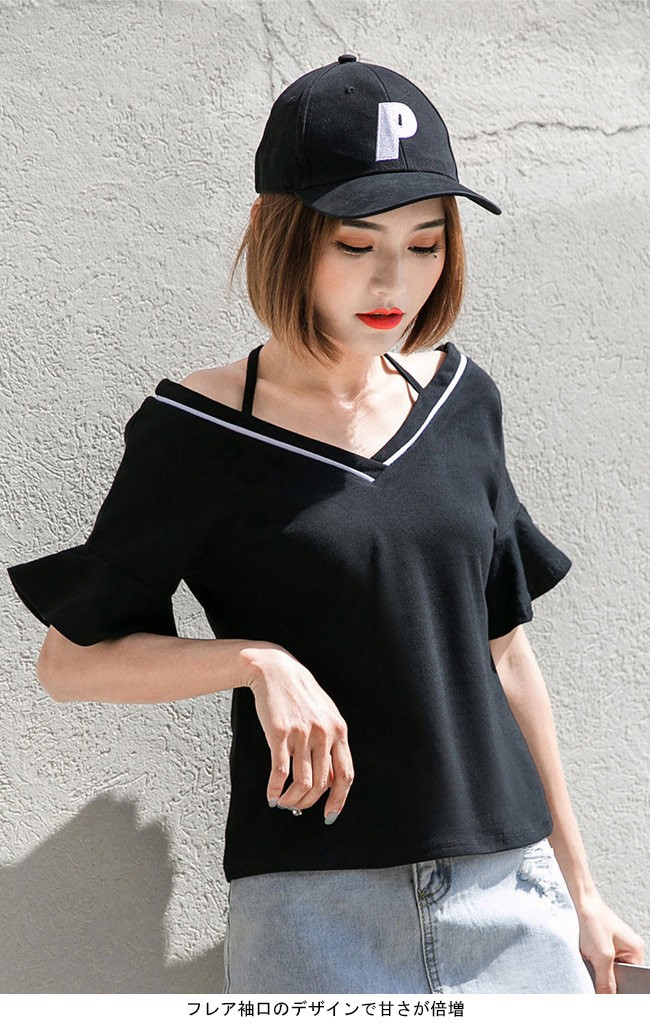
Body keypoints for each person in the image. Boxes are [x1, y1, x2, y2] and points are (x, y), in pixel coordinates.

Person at [6, 54, 645, 996]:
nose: (396, 279)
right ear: (278, 234)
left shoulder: (462, 400)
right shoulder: (196, 430)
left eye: (426, 243)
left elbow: (507, 653)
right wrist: (254, 661)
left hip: (511, 896)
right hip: (314, 915)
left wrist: (581, 889)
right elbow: (70, 664)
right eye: (356, 243)